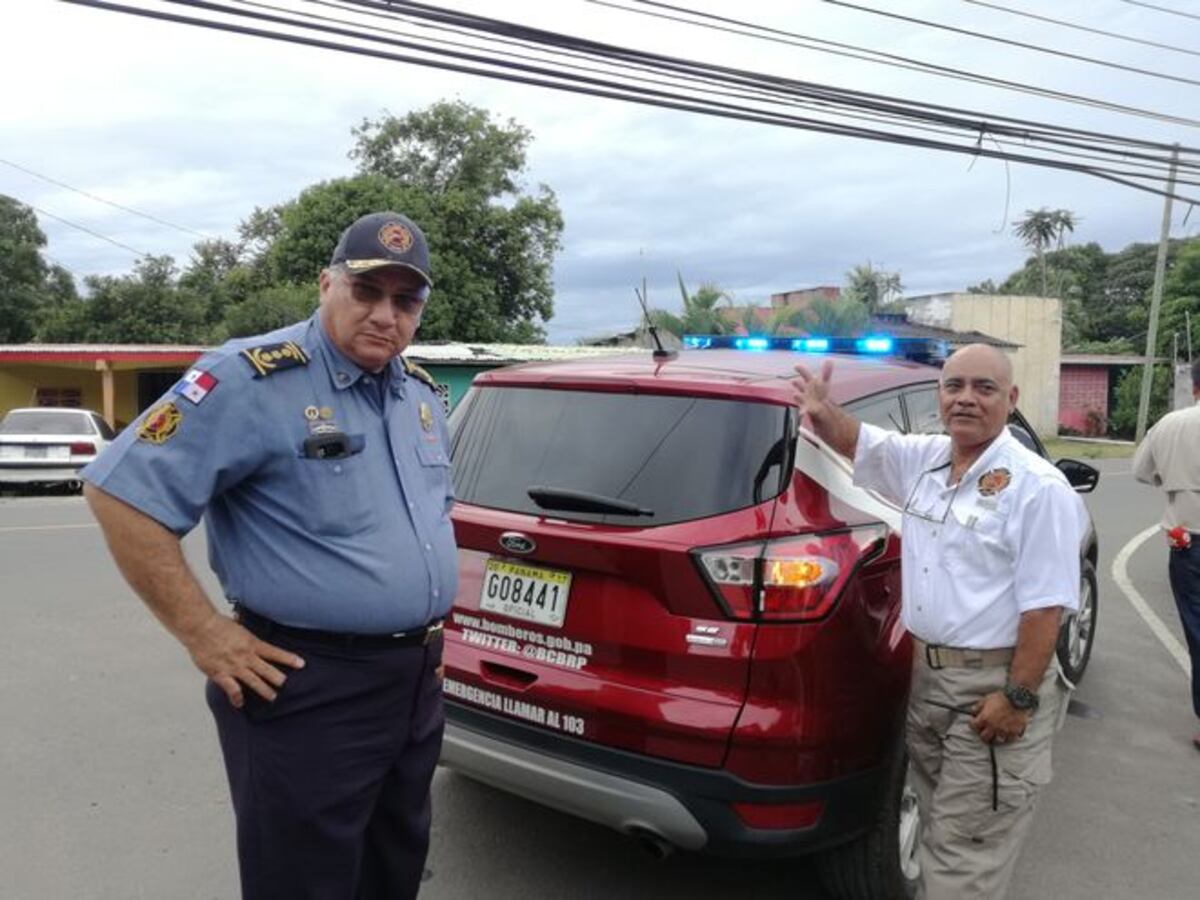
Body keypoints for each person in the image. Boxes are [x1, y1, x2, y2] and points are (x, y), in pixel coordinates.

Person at [82, 211, 457, 900]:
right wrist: (205, 634)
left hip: (413, 681)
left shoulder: (421, 397)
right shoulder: (249, 379)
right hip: (306, 684)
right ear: (325, 284)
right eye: (367, 292)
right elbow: (120, 493)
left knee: (393, 867)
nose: (385, 315)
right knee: (304, 882)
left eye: (406, 301)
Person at [792, 343, 1087, 900]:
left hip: (992, 689)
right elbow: (859, 442)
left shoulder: (1038, 489)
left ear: (1011, 399)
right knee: (936, 831)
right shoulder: (924, 459)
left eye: (984, 388)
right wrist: (823, 410)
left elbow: (1045, 609)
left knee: (965, 853)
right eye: (955, 387)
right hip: (929, 683)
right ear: (940, 396)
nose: (966, 400)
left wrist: (1017, 699)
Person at [1132, 359, 1200, 753]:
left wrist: (1170, 480)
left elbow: (1141, 470)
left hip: (1187, 539)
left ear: (1194, 387)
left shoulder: (1171, 425)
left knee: (1196, 628)